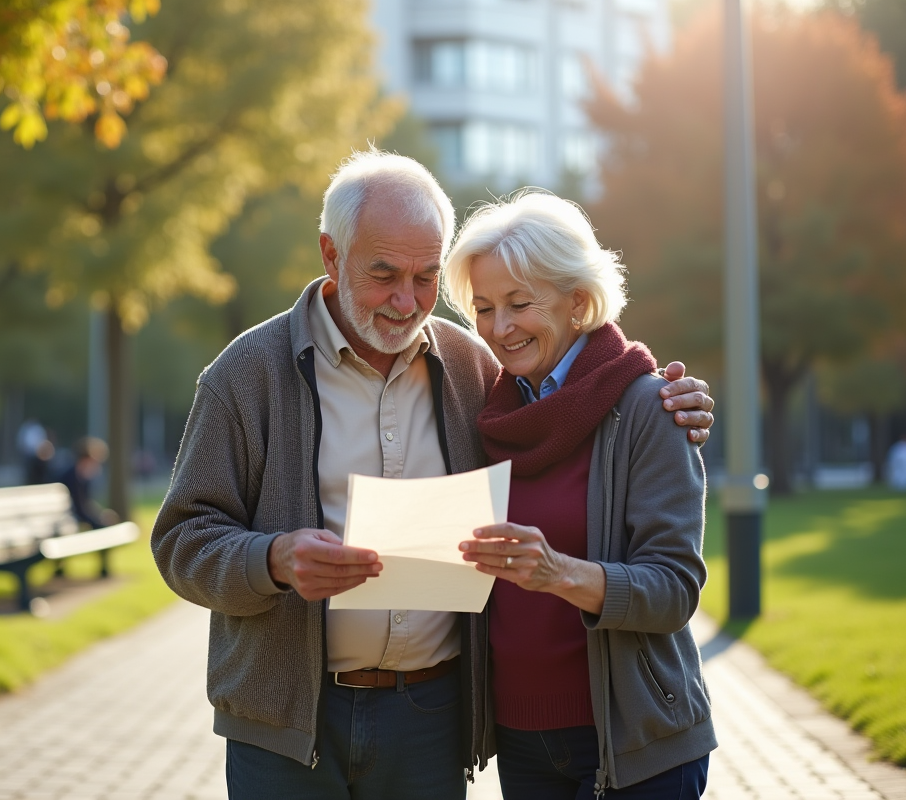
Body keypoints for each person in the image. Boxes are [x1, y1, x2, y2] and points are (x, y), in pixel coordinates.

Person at [151, 151, 715, 800]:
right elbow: (179, 540)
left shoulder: (471, 367)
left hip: (431, 718)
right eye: (384, 273)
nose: (407, 301)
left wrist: (668, 396)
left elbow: (577, 375)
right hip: (286, 726)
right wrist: (272, 559)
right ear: (331, 256)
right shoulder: (245, 375)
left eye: (425, 277)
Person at [450, 193, 715, 798]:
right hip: (519, 740)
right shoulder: (487, 410)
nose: (500, 328)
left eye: (520, 304)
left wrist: (560, 574)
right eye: (484, 308)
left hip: (631, 742)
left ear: (578, 300)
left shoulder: (648, 406)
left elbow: (674, 589)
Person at [59, 436, 119, 528]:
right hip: (65, 520)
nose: (97, 465)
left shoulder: (81, 477)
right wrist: (100, 524)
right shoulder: (71, 478)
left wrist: (101, 515)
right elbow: (79, 510)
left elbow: (86, 504)